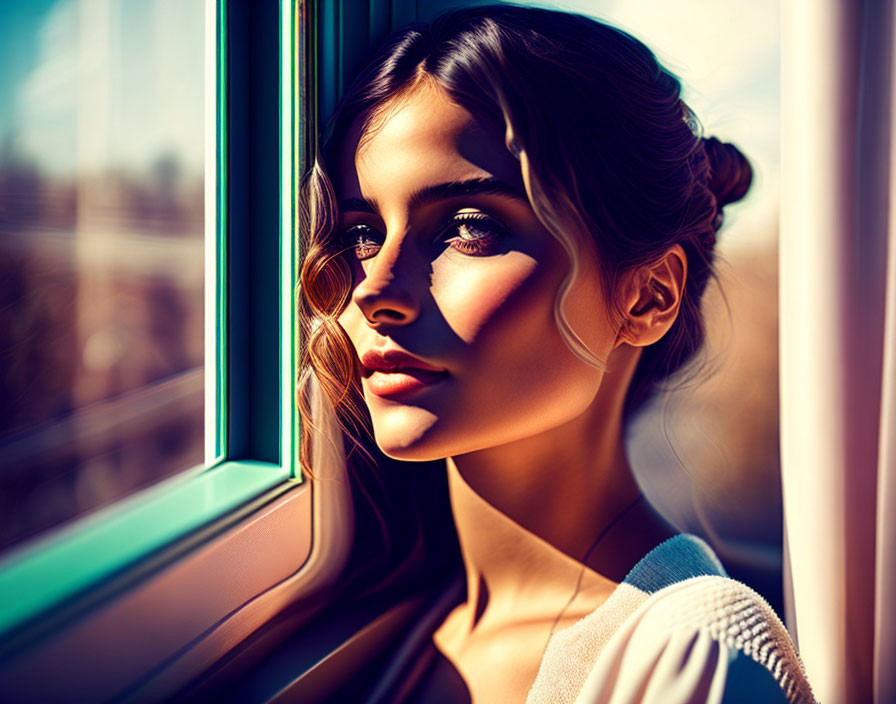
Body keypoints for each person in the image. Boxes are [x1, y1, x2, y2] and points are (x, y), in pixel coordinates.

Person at [298, 4, 818, 703]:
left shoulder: (700, 659)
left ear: (646, 299)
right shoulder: (420, 622)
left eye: (467, 226)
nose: (373, 291)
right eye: (363, 233)